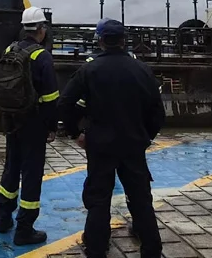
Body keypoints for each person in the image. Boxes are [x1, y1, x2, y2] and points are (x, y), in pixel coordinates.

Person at [58, 18, 164, 258]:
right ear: (124, 41)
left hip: (100, 145)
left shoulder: (89, 69)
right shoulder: (142, 69)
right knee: (140, 199)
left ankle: (96, 248)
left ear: (100, 40)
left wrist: (77, 134)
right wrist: (145, 137)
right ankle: (151, 249)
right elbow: (158, 112)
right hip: (133, 145)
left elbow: (64, 104)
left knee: (99, 198)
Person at [0, 6, 59, 246]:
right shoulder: (41, 56)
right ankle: (25, 228)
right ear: (41, 29)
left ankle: (3, 218)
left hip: (11, 120)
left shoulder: (10, 49)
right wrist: (52, 126)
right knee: (31, 174)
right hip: (33, 122)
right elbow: (51, 97)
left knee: (11, 166)